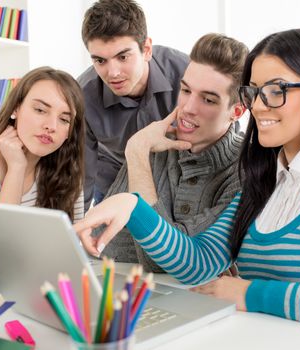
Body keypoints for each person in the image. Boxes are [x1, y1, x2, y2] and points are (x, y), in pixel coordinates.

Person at [74, 28, 300, 348]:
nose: (257, 105)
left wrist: (250, 293)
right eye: (253, 91)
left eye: (276, 90)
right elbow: (199, 262)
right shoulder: (266, 180)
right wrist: (134, 209)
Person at [100, 33, 247, 273]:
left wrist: (136, 156)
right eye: (186, 91)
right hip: (141, 293)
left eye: (208, 100)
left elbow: (159, 262)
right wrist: (177, 238)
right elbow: (106, 243)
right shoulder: (151, 144)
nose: (187, 109)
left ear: (237, 111)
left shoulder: (246, 170)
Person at [78, 0, 189, 208]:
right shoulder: (82, 96)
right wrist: (75, 229)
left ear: (146, 49)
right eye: (100, 61)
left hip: (179, 179)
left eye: (122, 57)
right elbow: (82, 174)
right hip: (114, 182)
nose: (113, 73)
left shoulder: (186, 72)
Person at [0, 66, 85, 221]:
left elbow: (70, 243)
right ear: (15, 108)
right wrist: (16, 168)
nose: (52, 126)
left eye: (64, 119)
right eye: (40, 110)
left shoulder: (68, 177)